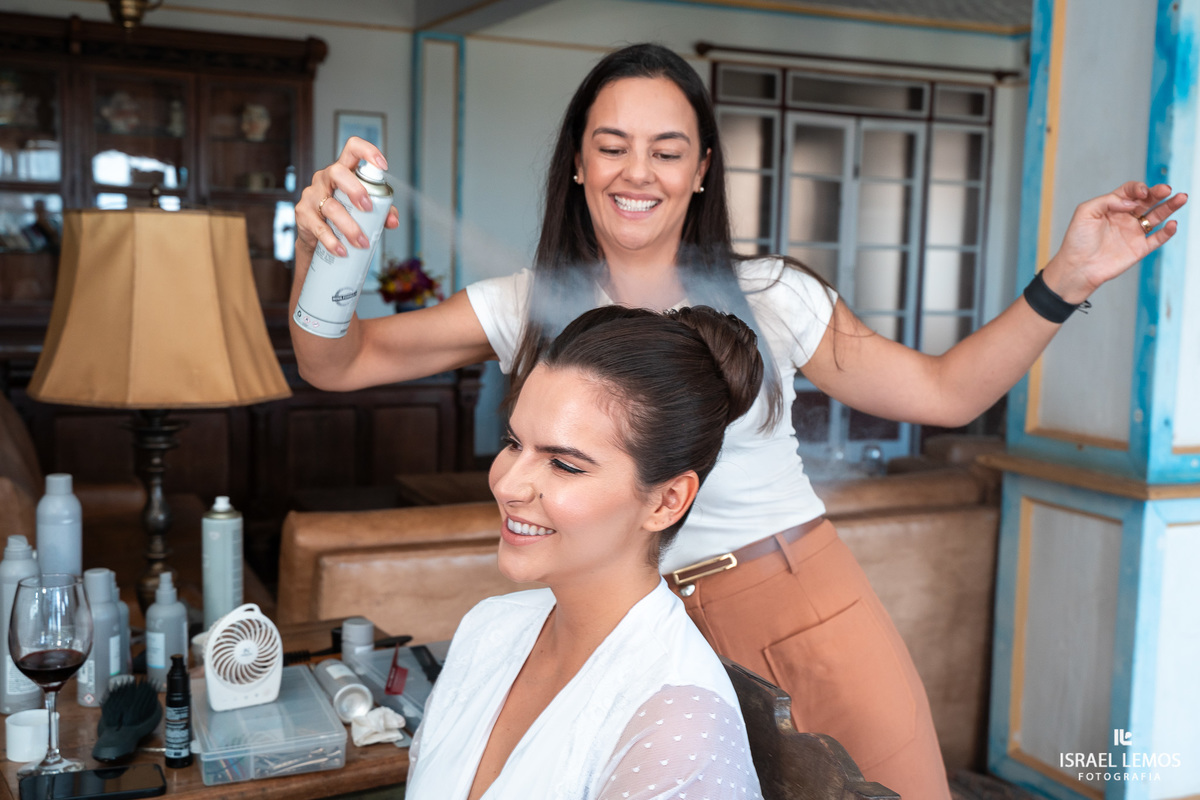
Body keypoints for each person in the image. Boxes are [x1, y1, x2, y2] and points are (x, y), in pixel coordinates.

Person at [291, 44, 1186, 799]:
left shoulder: (773, 296)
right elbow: (336, 361)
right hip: (634, 626)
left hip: (799, 603)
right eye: (611, 147)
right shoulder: (527, 305)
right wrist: (328, 256)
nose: (637, 172)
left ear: (703, 168)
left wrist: (1067, 277)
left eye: (668, 150)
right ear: (577, 162)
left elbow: (948, 393)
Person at [405, 304, 764, 800]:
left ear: (666, 501)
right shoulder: (488, 629)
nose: (508, 485)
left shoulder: (677, 723)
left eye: (564, 465)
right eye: (513, 443)